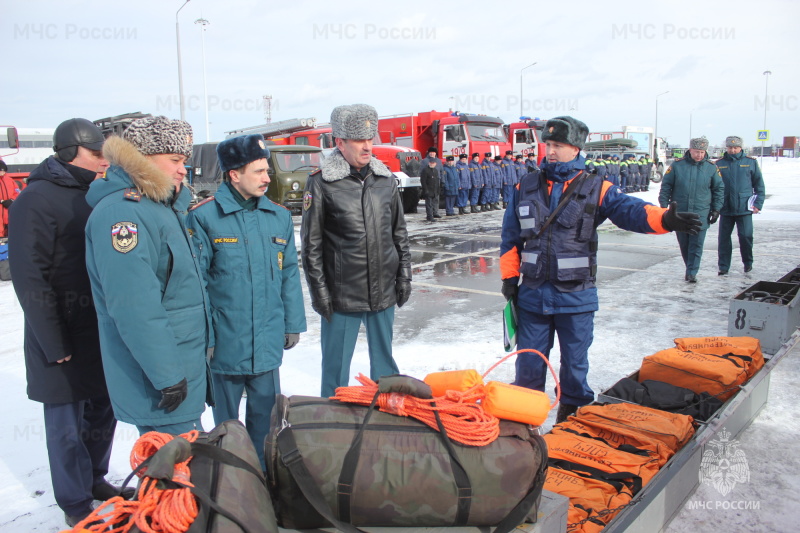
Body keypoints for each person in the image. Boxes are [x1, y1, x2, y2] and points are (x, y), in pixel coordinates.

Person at [500, 116, 701, 423]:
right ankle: (522, 425)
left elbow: (630, 211)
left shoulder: (597, 187)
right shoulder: (524, 186)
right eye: (548, 144)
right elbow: (510, 238)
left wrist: (666, 220)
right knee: (528, 365)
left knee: (575, 366)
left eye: (558, 145)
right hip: (533, 295)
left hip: (576, 297)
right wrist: (509, 279)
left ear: (576, 148)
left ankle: (571, 419)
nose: (550, 151)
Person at [8, 118, 132, 528]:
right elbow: (30, 276)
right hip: (59, 332)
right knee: (65, 423)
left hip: (98, 328)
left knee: (102, 411)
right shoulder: (35, 199)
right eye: (96, 153)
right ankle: (74, 501)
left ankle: (95, 479)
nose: (103, 161)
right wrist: (52, 341)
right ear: (68, 153)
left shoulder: (97, 194)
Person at [85, 115, 211, 435]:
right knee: (172, 475)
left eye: (185, 160)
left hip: (182, 364)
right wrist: (167, 375)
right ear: (142, 158)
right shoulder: (124, 213)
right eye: (175, 159)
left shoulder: (160, 207)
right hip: (161, 380)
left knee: (184, 470)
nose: (184, 168)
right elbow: (134, 307)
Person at [187, 134, 306, 470]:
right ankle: (232, 481)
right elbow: (197, 286)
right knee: (227, 428)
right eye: (258, 171)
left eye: (267, 170)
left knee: (266, 423)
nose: (267, 178)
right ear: (234, 175)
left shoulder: (278, 216)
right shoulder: (205, 218)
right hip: (225, 344)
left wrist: (293, 323)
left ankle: (264, 477)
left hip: (267, 342)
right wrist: (206, 338)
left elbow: (288, 274)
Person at [301, 104, 412, 397]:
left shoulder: (385, 180)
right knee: (336, 371)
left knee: (385, 371)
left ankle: (384, 423)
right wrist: (320, 293)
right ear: (340, 142)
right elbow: (311, 246)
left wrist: (404, 277)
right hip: (342, 296)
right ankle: (332, 426)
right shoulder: (321, 183)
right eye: (358, 140)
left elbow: (399, 234)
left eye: (370, 139)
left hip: (383, 291)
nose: (367, 146)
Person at [658, 136, 725, 283]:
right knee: (684, 244)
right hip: (680, 212)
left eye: (702, 152)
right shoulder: (677, 166)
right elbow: (666, 186)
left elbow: (718, 189)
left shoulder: (711, 167)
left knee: (697, 244)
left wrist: (716, 209)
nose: (699, 155)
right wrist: (663, 205)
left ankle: (691, 272)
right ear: (690, 150)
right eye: (696, 151)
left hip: (701, 212)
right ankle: (690, 267)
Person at [715, 136, 766, 275]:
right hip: (726, 208)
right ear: (726, 148)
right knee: (724, 239)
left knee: (746, 237)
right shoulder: (719, 164)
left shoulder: (750, 163)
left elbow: (759, 185)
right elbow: (714, 186)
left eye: (735, 147)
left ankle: (748, 263)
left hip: (744, 207)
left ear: (740, 148)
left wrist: (758, 204)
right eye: (730, 147)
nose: (732, 150)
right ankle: (724, 266)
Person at [0, 159, 21, 237]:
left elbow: (18, 192)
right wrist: (1, 201)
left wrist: (12, 200)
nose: (2, 172)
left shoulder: (10, 180)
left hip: (8, 209)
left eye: (3, 170)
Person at [420, 147, 442, 219]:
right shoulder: (424, 161)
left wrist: (442, 181)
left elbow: (441, 171)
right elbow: (422, 174)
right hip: (429, 182)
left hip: (436, 181)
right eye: (431, 152)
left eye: (433, 152)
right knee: (429, 201)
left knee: (436, 199)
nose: (432, 154)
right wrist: (424, 188)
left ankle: (435, 212)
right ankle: (430, 215)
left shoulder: (438, 161)